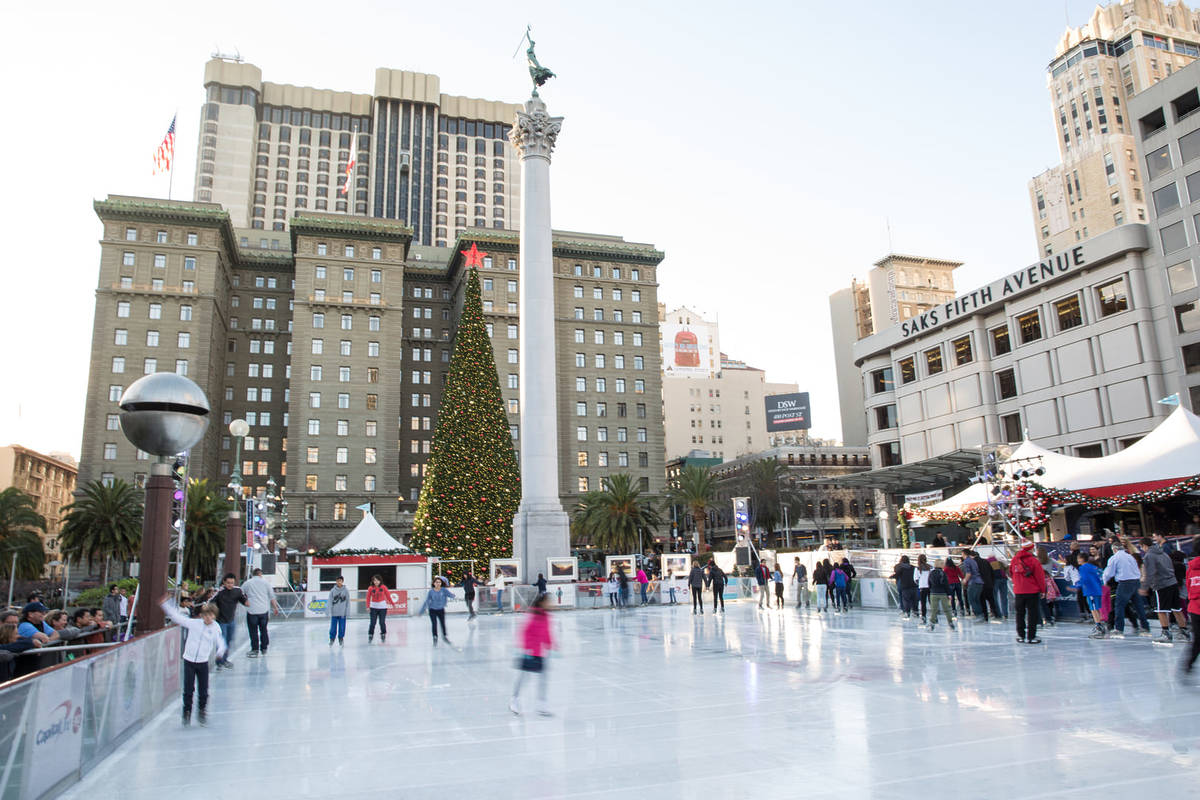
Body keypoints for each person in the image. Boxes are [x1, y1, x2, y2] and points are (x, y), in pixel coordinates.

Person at [160, 594, 227, 726]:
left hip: (203, 662)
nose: (208, 618)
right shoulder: (194, 624)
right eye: (205, 615)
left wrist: (220, 652)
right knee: (188, 689)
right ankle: (187, 711)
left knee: (203, 689)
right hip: (189, 661)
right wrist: (166, 604)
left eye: (211, 615)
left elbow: (221, 643)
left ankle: (202, 710)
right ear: (202, 615)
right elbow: (177, 617)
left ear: (214, 616)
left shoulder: (215, 628)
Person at [510, 593, 553, 716]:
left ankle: (541, 704)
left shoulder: (546, 615)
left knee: (543, 679)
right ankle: (514, 700)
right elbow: (524, 632)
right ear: (542, 602)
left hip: (541, 651)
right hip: (529, 651)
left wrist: (550, 644)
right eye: (548, 602)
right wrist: (527, 648)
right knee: (524, 678)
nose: (550, 604)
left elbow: (547, 632)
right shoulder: (532, 614)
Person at [1143, 534, 1191, 643]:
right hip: (1172, 583)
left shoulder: (1149, 556)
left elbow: (1150, 572)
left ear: (1144, 546)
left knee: (1161, 610)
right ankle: (1184, 631)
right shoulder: (1164, 553)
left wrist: (1145, 586)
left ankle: (1166, 633)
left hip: (1161, 584)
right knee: (1176, 608)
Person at [1102, 539, 1149, 639]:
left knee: (1119, 605)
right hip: (1135, 581)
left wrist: (1105, 581)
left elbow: (1109, 572)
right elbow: (1136, 569)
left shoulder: (1114, 558)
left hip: (1124, 582)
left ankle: (1119, 629)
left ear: (1114, 549)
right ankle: (1145, 626)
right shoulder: (1130, 557)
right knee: (1138, 605)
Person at [1011, 541, 1046, 644]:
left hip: (1018, 591)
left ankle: (1021, 635)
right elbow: (1040, 577)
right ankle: (1031, 636)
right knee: (1032, 613)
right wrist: (1043, 590)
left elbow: (1011, 573)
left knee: (1020, 613)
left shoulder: (1014, 560)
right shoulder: (1034, 561)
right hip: (1032, 590)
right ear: (1031, 548)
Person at [241, 567, 280, 657]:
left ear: (253, 574)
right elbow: (272, 597)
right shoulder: (266, 583)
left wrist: (245, 601)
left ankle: (255, 649)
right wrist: (275, 608)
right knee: (263, 630)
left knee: (253, 631)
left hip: (252, 610)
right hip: (264, 610)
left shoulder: (248, 583)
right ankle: (264, 647)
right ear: (260, 574)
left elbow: (240, 592)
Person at [213, 573, 247, 670]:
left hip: (231, 620)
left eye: (232, 583)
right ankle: (219, 662)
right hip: (221, 621)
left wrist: (247, 602)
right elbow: (211, 602)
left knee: (228, 640)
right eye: (228, 583)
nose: (230, 585)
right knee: (221, 642)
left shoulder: (237, 591)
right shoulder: (219, 592)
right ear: (224, 582)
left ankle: (225, 659)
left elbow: (243, 599)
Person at [1076, 553, 1107, 639]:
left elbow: (1084, 579)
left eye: (1079, 558)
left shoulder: (1083, 567)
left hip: (1091, 591)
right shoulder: (1094, 567)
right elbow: (1102, 576)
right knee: (1096, 608)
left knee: (1093, 609)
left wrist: (1077, 586)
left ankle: (1099, 626)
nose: (1077, 560)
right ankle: (1099, 625)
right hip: (1097, 590)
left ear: (1082, 559)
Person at [1181, 543, 1200, 679]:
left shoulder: (1191, 568)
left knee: (1198, 640)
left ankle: (1188, 664)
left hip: (1194, 608)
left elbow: (1188, 587)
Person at [418, 576, 454, 645]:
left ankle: (444, 636)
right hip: (432, 610)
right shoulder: (431, 592)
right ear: (434, 583)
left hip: (441, 610)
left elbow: (450, 595)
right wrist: (421, 611)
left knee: (442, 623)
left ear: (441, 583)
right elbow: (427, 601)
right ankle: (435, 636)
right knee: (434, 624)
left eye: (439, 582)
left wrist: (452, 595)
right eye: (436, 582)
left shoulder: (444, 590)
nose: (438, 583)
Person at [927, 559, 956, 631]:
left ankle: (932, 624)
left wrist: (931, 590)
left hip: (933, 593)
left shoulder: (931, 573)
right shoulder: (943, 573)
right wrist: (949, 594)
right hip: (943, 593)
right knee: (947, 609)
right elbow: (946, 584)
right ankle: (950, 623)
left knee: (934, 610)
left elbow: (929, 583)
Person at [961, 550, 986, 622]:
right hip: (979, 581)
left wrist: (965, 580)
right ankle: (981, 615)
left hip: (973, 582)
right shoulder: (973, 561)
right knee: (977, 599)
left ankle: (979, 615)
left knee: (971, 599)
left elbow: (969, 573)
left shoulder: (966, 561)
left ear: (964, 554)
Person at [365, 574, 390, 644]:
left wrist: (392, 604)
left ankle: (383, 633)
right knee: (373, 623)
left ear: (380, 581)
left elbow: (388, 596)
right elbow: (368, 598)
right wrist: (368, 606)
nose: (376, 582)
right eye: (374, 580)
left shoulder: (383, 587)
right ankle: (370, 634)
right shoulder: (370, 588)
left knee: (382, 622)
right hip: (373, 607)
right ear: (373, 581)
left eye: (377, 580)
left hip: (382, 607)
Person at [327, 576, 349, 646]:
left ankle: (341, 638)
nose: (339, 582)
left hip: (342, 613)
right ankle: (332, 639)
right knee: (333, 627)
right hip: (334, 612)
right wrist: (328, 610)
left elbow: (348, 602)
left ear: (342, 581)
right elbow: (330, 600)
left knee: (342, 627)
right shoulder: (333, 590)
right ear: (336, 581)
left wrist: (347, 611)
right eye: (338, 581)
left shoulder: (346, 590)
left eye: (340, 581)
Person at [990, 556, 1010, 621]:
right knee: (1004, 597)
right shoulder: (1000, 562)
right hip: (1003, 579)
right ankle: (1005, 613)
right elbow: (1007, 569)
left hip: (995, 580)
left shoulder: (989, 562)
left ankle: (998, 613)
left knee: (995, 597)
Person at [915, 554, 932, 623]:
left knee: (923, 603)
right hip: (930, 586)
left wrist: (919, 584)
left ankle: (924, 616)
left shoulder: (918, 568)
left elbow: (916, 578)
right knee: (931, 602)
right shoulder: (930, 567)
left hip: (922, 586)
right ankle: (934, 616)